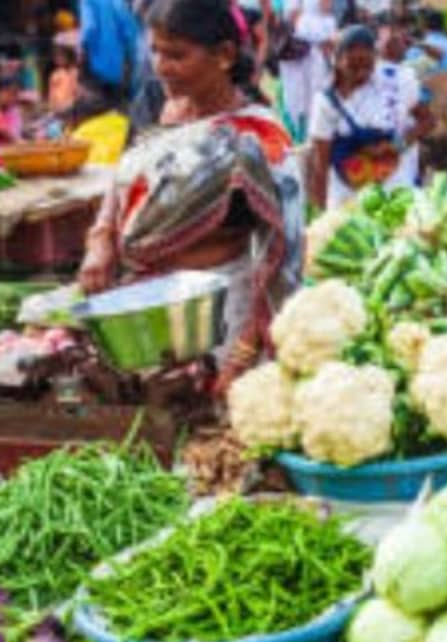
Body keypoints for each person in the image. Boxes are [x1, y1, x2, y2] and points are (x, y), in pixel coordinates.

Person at [77, 0, 301, 368]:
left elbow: (285, 257)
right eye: (155, 52)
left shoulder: (257, 136)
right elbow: (122, 177)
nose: (161, 67)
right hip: (143, 310)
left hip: (220, 317)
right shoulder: (154, 103)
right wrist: (100, 242)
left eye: (177, 55)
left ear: (225, 55)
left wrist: (243, 354)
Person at [305, 25, 425, 210]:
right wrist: (318, 217)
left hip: (393, 194)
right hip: (348, 197)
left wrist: (397, 145)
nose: (361, 71)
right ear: (337, 61)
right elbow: (320, 165)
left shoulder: (392, 85)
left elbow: (428, 121)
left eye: (367, 64)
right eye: (353, 65)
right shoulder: (326, 102)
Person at [276, 0, 335, 138]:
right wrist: (323, 35)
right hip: (300, 54)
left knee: (317, 103)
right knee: (300, 104)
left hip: (315, 55)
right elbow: (293, 17)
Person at [79, 0, 140, 98]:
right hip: (118, 66)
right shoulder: (118, 2)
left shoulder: (87, 1)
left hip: (97, 66)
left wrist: (81, 49)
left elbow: (89, 29)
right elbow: (129, 32)